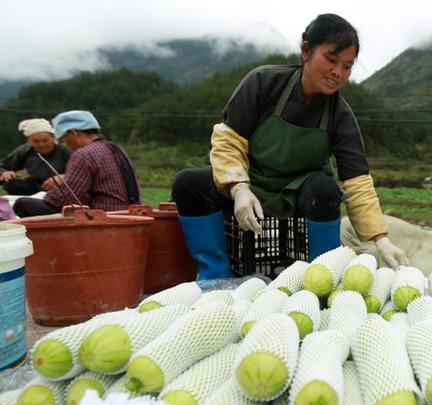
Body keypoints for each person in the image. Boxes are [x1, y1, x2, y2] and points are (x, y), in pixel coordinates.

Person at [172, 13, 408, 280]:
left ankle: (321, 277)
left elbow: (358, 183)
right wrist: (238, 187)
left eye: (347, 66)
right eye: (331, 59)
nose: (337, 72)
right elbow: (228, 141)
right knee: (189, 183)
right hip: (250, 190)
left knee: (325, 189)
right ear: (306, 50)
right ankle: (215, 277)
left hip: (299, 198)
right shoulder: (263, 83)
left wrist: (382, 240)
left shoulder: (340, 115)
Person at [13, 110, 140, 217]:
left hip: (103, 214)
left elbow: (69, 198)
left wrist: (46, 197)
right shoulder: (115, 148)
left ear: (73, 133)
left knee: (21, 204)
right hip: (128, 211)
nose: (65, 144)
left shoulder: (83, 154)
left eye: (63, 139)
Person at [0, 118, 70, 195]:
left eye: (45, 140)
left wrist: (63, 177)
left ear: (53, 138)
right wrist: (5, 172)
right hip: (36, 185)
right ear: (29, 141)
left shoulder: (64, 149)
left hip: (63, 185)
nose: (41, 145)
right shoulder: (25, 150)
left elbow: (81, 171)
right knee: (10, 183)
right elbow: (3, 166)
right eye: (36, 141)